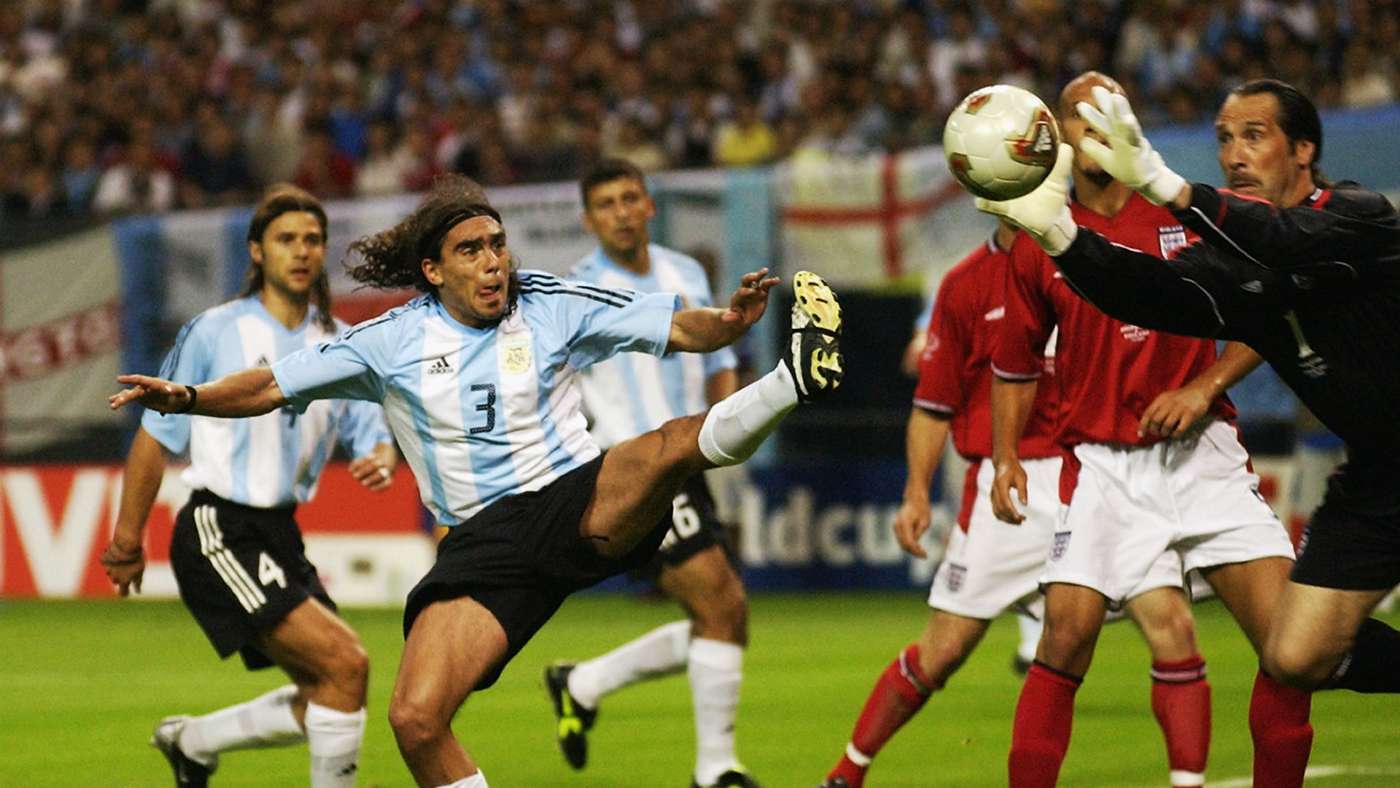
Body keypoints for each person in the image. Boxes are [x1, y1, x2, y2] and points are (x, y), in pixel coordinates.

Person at [108, 174, 845, 788]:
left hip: (573, 500)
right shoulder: (386, 342)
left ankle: (791, 379)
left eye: (498, 245)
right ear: (434, 269)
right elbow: (270, 386)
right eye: (471, 250)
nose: (494, 262)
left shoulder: (550, 301)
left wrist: (733, 320)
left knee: (664, 449)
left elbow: (684, 329)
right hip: (481, 547)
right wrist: (191, 397)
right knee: (415, 720)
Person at [982, 76, 1400, 704]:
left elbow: (1283, 241)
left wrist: (1165, 186)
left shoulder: (1357, 216)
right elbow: (1150, 293)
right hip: (1377, 477)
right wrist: (1058, 235)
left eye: (1254, 136)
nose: (1235, 153)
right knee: (1295, 654)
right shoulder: (1233, 266)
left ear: (1304, 150)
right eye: (1225, 138)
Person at [987, 73, 1311, 788]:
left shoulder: (1187, 210)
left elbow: (1269, 314)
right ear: (1061, 138)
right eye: (1076, 117)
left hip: (1203, 457)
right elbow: (1012, 364)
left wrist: (1204, 386)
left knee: (1291, 648)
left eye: (1106, 115)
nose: (1091, 128)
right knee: (1064, 638)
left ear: (1129, 127)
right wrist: (1006, 457)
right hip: (1102, 467)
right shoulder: (1042, 236)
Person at [820, 218, 1210, 788]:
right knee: (944, 649)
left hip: (1100, 471)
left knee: (1171, 624)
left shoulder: (1096, 255)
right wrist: (915, 493)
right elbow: (933, 402)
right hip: (1009, 485)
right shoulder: (965, 284)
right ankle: (847, 771)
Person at [98, 184, 398, 788]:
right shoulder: (214, 331)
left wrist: (383, 455)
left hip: (280, 533)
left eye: (313, 239)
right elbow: (157, 436)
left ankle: (193, 741)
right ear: (257, 251)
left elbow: (373, 430)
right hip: (219, 526)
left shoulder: (340, 344)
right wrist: (127, 539)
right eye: (287, 239)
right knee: (346, 664)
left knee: (334, 691)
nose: (302, 251)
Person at [540, 160, 757, 788]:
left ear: (650, 205)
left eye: (630, 198)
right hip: (633, 469)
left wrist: (727, 414)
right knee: (723, 602)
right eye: (605, 203)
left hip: (692, 455)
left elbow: (723, 350)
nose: (620, 211)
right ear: (588, 219)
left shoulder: (683, 272)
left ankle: (582, 683)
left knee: (719, 617)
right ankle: (715, 770)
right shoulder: (576, 291)